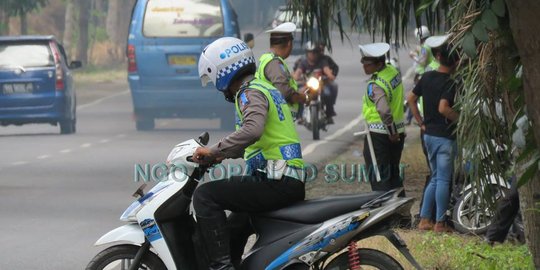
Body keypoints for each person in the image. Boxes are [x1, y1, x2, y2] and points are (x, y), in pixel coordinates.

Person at [194, 37, 305, 269]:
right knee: (234, 230)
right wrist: (220, 155)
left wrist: (214, 150)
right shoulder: (264, 88)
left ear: (222, 71)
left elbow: (252, 130)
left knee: (205, 196)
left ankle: (220, 267)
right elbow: (253, 141)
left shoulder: (248, 93)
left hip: (276, 180)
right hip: (281, 178)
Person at [407, 35, 460, 233]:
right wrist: (460, 120)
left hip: (428, 135)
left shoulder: (426, 76)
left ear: (437, 57)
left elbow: (410, 98)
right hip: (445, 137)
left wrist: (420, 122)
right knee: (444, 180)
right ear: (457, 60)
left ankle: (424, 220)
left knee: (435, 177)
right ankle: (440, 222)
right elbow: (444, 108)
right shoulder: (451, 82)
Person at [359, 42, 406, 194]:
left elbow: (384, 110)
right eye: (363, 63)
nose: (364, 66)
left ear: (379, 64)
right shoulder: (392, 72)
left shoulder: (376, 84)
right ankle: (401, 211)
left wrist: (391, 132)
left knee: (380, 179)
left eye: (368, 64)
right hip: (398, 132)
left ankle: (386, 213)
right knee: (393, 176)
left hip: (380, 136)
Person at [254, 22, 313, 120]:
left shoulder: (266, 59)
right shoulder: (274, 63)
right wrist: (304, 98)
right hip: (277, 123)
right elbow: (285, 92)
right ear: (289, 43)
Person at [293, 41, 337, 123]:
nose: (312, 54)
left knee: (328, 93)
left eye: (314, 52)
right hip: (307, 86)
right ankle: (299, 115)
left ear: (318, 53)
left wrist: (330, 75)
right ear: (307, 53)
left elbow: (326, 69)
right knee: (299, 94)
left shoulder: (322, 61)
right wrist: (294, 78)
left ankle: (329, 113)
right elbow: (297, 72)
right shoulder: (303, 62)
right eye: (310, 52)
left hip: (320, 85)